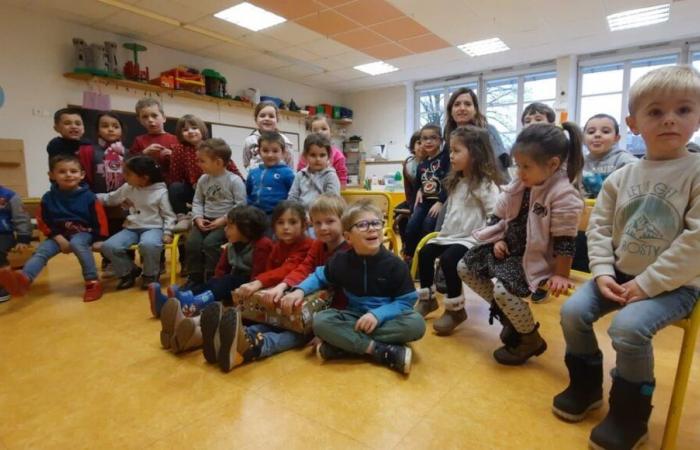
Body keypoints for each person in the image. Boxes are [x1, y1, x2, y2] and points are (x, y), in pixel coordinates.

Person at [553, 65, 700, 450]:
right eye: (655, 111)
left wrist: (646, 284)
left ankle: (630, 415)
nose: (670, 118)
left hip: (675, 287)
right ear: (634, 124)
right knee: (571, 313)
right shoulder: (621, 177)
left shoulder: (697, 171)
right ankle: (587, 389)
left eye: (683, 110)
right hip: (617, 275)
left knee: (628, 329)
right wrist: (602, 272)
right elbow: (599, 229)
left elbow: (696, 241)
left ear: (698, 117)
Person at [457, 122, 584, 365]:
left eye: (526, 166)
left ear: (553, 165)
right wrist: (498, 239)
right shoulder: (520, 183)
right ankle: (510, 319)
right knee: (465, 267)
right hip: (510, 247)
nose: (519, 172)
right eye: (517, 165)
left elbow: (565, 239)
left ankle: (529, 338)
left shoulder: (563, 194)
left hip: (534, 258)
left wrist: (561, 274)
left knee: (503, 289)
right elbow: (498, 215)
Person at [288, 200, 426, 375]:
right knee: (321, 322)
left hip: (388, 318)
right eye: (362, 225)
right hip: (354, 317)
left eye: (376, 223)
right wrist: (299, 290)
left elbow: (406, 301)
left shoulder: (396, 265)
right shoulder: (340, 261)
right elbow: (319, 276)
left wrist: (377, 314)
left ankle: (344, 346)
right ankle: (378, 350)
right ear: (347, 237)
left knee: (416, 324)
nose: (372, 228)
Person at [200, 200, 313, 372]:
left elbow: (289, 269)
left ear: (305, 224)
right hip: (277, 302)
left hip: (302, 305)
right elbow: (270, 272)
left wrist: (259, 282)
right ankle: (221, 338)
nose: (286, 227)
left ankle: (254, 347)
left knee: (297, 335)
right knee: (266, 323)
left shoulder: (309, 246)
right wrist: (258, 292)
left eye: (292, 222)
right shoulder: (277, 247)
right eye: (280, 223)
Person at [414, 125, 502, 335]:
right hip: (451, 235)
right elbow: (451, 212)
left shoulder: (485, 184)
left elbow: (495, 214)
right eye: (451, 150)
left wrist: (489, 238)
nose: (450, 156)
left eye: (456, 151)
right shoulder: (457, 181)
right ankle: (428, 300)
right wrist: (442, 234)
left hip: (472, 238)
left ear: (475, 153)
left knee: (449, 259)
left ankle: (456, 309)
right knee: (425, 252)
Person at [148, 205, 272, 353]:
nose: (225, 230)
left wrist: (241, 296)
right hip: (233, 281)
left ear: (246, 230)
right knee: (214, 282)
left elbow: (259, 275)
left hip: (251, 285)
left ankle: (192, 305)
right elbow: (221, 269)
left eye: (230, 227)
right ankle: (168, 303)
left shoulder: (262, 245)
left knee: (226, 282)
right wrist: (215, 284)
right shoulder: (231, 245)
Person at [0, 154, 108, 302]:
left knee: (78, 244)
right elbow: (44, 221)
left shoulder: (89, 197)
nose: (68, 174)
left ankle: (92, 282)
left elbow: (100, 219)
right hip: (57, 235)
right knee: (41, 252)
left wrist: (99, 239)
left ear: (82, 175)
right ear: (52, 175)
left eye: (73, 171)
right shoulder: (48, 198)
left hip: (83, 233)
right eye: (62, 171)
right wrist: (59, 239)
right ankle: (24, 280)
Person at [99, 156, 176, 290]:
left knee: (149, 244)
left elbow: (169, 215)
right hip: (132, 227)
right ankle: (128, 272)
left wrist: (168, 232)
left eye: (128, 174)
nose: (124, 176)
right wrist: (90, 197)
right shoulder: (127, 188)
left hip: (153, 227)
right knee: (108, 246)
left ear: (144, 178)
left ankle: (150, 275)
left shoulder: (160, 192)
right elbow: (111, 199)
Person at [264, 194, 350, 309]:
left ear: (343, 222)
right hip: (318, 300)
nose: (323, 227)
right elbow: (305, 267)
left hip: (342, 305)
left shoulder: (350, 248)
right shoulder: (318, 244)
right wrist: (283, 285)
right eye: (317, 223)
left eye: (330, 221)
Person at [183, 138, 246, 288]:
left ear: (218, 162)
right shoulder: (203, 179)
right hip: (204, 220)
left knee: (211, 244)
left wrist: (224, 220)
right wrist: (197, 218)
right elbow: (197, 201)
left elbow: (241, 205)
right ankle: (195, 277)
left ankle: (212, 277)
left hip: (226, 223)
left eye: (202, 161)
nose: (198, 164)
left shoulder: (234, 180)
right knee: (192, 243)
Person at [168, 114, 244, 231]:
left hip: (215, 188)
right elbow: (175, 175)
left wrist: (241, 182)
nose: (190, 131)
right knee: (174, 187)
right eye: (185, 130)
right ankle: (183, 217)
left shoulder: (211, 147)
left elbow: (229, 165)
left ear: (202, 129)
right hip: (193, 188)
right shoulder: (178, 150)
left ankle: (221, 216)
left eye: (194, 128)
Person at [402, 124, 449, 261]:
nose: (428, 142)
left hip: (437, 202)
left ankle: (424, 257)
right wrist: (418, 192)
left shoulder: (445, 158)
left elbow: (448, 181)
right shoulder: (422, 165)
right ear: (420, 142)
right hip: (424, 203)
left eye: (433, 138)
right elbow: (418, 185)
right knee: (411, 225)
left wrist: (441, 201)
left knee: (428, 225)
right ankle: (410, 257)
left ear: (441, 140)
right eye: (425, 139)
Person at [443, 87, 510, 177]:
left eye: (468, 104)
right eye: (457, 104)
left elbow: (500, 166)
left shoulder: (488, 131)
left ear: (475, 110)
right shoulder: (449, 139)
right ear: (451, 111)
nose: (462, 108)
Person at [581, 114, 638, 198]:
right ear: (583, 139)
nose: (597, 135)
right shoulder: (580, 162)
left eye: (605, 131)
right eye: (591, 132)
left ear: (616, 138)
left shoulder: (625, 161)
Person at [245, 131, 295, 215]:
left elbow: (293, 196)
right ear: (259, 152)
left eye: (275, 151)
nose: (270, 155)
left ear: (282, 153)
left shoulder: (288, 173)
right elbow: (248, 194)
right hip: (254, 216)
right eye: (265, 151)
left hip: (277, 216)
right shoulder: (253, 172)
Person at [129, 97, 179, 181]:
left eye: (154, 115)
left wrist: (173, 156)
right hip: (147, 183)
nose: (150, 120)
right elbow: (129, 163)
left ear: (164, 118)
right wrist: (144, 153)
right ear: (140, 121)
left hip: (170, 182)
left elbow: (184, 163)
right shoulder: (139, 140)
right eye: (145, 117)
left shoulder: (176, 139)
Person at [288, 133, 341, 209]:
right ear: (305, 156)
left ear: (328, 156)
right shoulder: (300, 175)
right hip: (301, 216)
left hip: (322, 216)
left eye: (322, 155)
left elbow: (332, 203)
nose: (318, 159)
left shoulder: (331, 176)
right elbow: (292, 198)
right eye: (313, 155)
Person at [0, 185, 33, 303]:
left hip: (3, 234)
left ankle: (5, 285)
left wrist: (23, 238)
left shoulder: (9, 196)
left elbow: (21, 218)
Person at [297, 114, 348, 187]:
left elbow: (342, 179)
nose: (319, 132)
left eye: (324, 129)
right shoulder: (305, 154)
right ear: (310, 133)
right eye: (315, 130)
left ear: (331, 132)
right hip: (308, 193)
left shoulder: (338, 156)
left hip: (329, 194)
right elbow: (300, 174)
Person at [242, 101, 294, 169]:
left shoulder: (285, 141)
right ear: (256, 119)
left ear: (277, 120)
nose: (267, 118)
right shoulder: (249, 141)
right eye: (262, 116)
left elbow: (290, 165)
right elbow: (246, 163)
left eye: (271, 116)